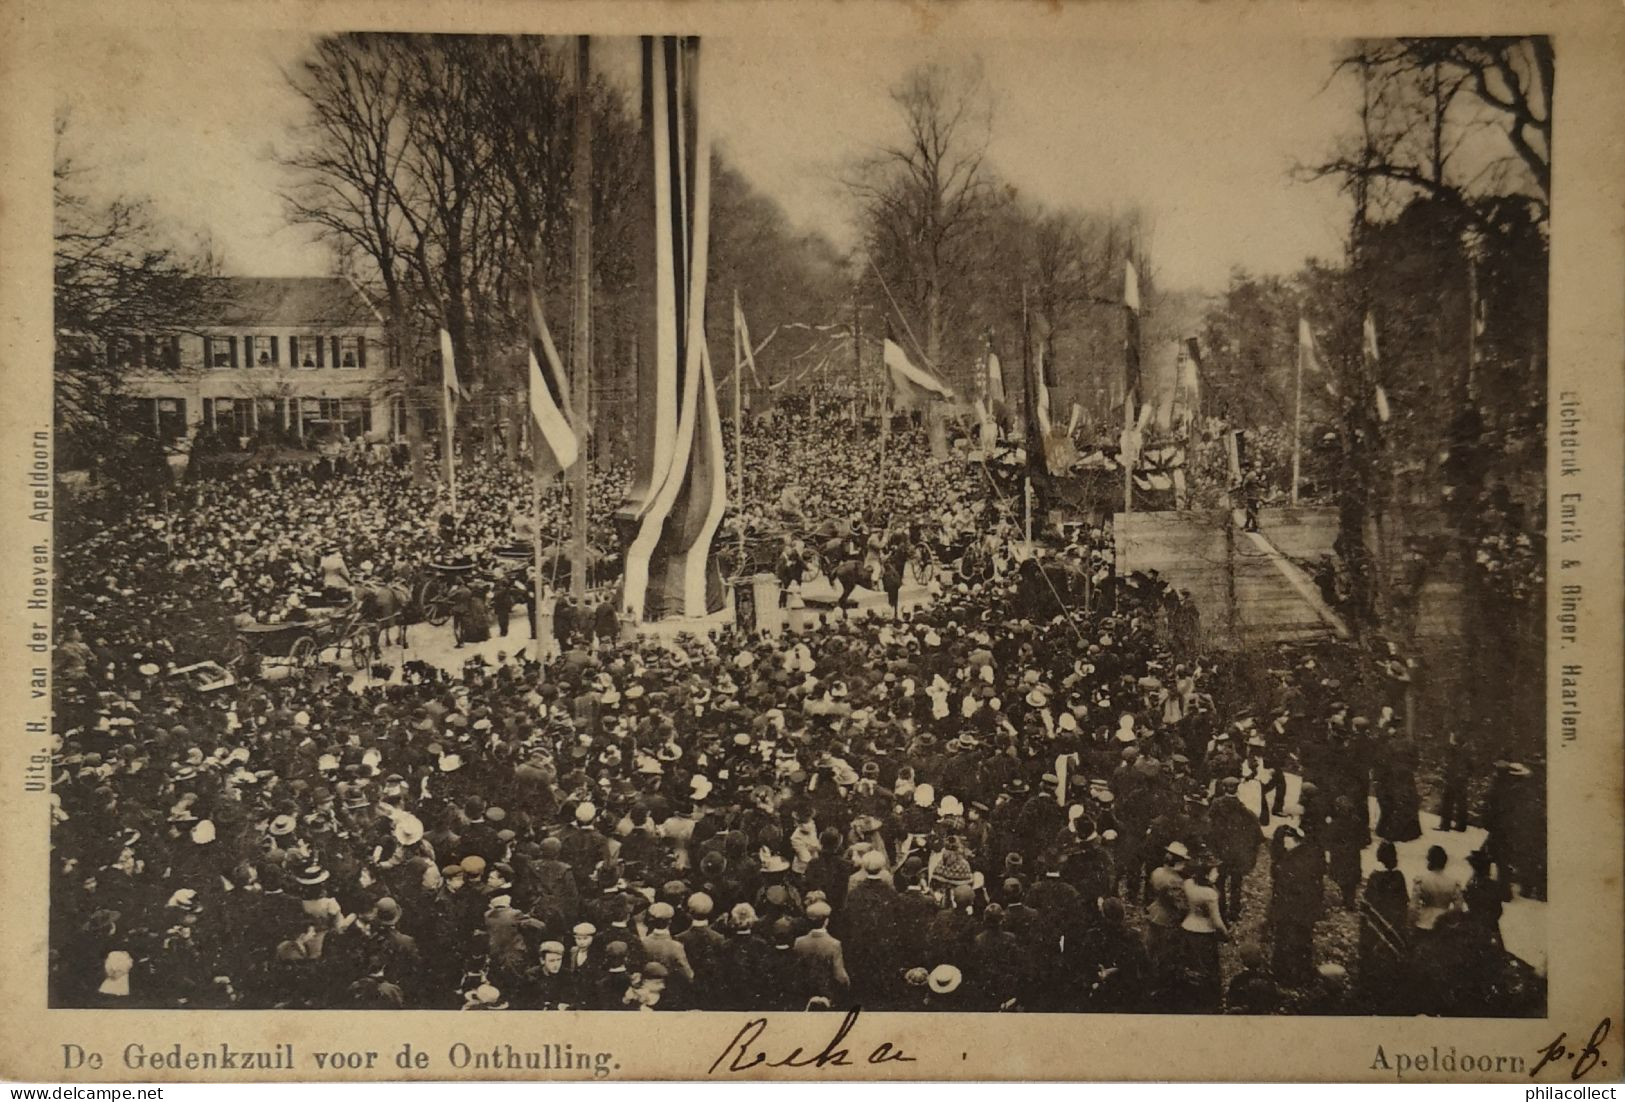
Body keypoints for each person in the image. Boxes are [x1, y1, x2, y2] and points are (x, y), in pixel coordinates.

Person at [1357, 841, 1409, 1013]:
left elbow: (1366, 904)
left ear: (1379, 857)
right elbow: (1403, 903)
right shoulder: (1399, 877)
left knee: (1373, 955)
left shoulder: (1374, 877)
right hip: (1392, 924)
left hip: (1375, 927)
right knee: (1390, 955)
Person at [1177, 851, 1228, 1010]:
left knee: (1189, 965)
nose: (1217, 873)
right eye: (1215, 870)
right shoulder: (1209, 894)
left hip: (1188, 926)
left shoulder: (1188, 884)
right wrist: (1225, 933)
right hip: (1204, 932)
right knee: (1206, 970)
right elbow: (1216, 920)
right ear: (1208, 873)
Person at [1410, 844, 1466, 939]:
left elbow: (1413, 907)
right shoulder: (1453, 883)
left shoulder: (1422, 881)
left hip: (1424, 921)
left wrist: (1411, 924)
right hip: (1445, 923)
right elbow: (1458, 907)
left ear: (1429, 860)